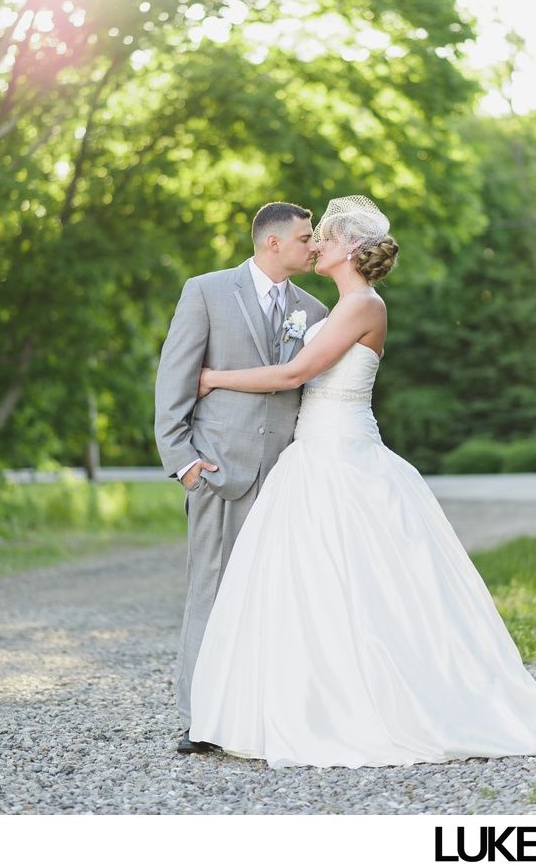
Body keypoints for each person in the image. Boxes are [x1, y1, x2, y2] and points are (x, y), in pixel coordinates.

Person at [185, 196, 536, 768]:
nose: (316, 245)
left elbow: (296, 373)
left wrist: (212, 377)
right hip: (314, 451)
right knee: (310, 585)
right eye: (313, 237)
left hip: (341, 453)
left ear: (352, 247)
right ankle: (302, 701)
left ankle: (368, 706)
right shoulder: (338, 306)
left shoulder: (363, 306)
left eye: (326, 237)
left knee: (359, 581)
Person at [154, 202, 329, 754]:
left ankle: (258, 712)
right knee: (211, 589)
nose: (313, 247)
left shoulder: (314, 309)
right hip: (218, 469)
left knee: (275, 595)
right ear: (273, 242)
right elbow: (175, 377)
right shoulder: (205, 291)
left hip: (285, 476)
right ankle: (199, 719)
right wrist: (184, 462)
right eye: (305, 238)